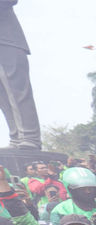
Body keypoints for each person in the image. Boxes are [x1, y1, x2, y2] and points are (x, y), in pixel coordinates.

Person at [0, 1, 41, 150]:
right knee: (3, 97)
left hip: (7, 40)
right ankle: (16, 138)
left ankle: (31, 137)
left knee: (17, 91)